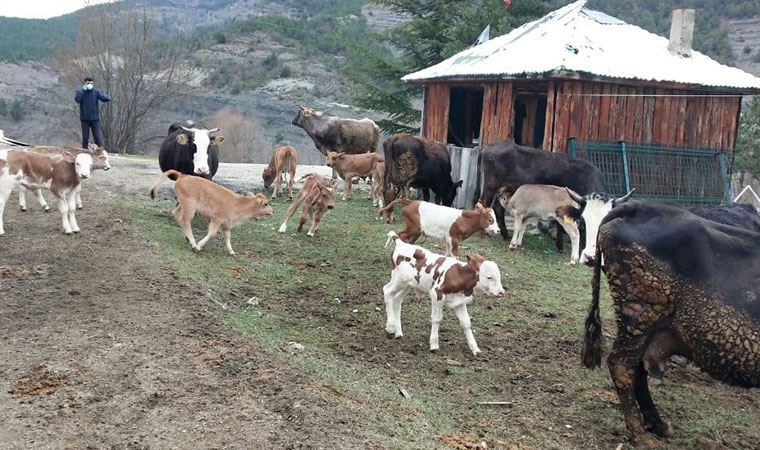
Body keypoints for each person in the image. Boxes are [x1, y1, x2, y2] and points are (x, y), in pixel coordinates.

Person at [74, 77, 111, 149]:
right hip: (85, 119)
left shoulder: (96, 92)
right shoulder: (81, 92)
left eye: (91, 83)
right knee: (85, 138)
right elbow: (77, 99)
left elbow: (104, 98)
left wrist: (108, 97)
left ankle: (100, 152)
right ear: (85, 83)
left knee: (97, 137)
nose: (90, 85)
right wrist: (83, 90)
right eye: (88, 83)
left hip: (95, 119)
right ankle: (84, 151)